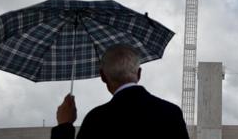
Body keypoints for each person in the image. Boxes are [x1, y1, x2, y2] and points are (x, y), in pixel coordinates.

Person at [51, 44, 189, 139]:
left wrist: (64, 126)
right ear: (139, 74)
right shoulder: (171, 113)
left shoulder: (96, 120)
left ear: (103, 76)